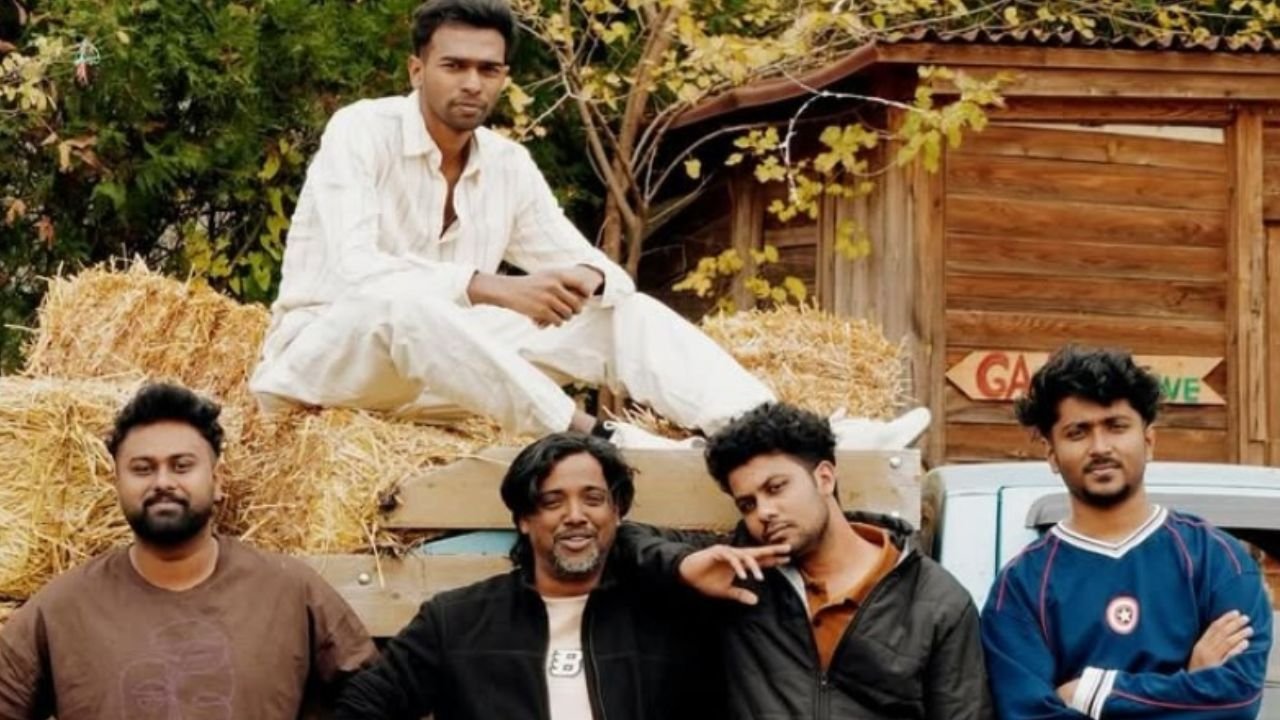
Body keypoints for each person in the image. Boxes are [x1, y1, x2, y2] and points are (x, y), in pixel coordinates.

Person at [247, 0, 777, 448]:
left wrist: (584, 279)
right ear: (416, 70)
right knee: (404, 307)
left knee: (621, 313)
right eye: (454, 66)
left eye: (488, 70)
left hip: (454, 379)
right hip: (328, 367)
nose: (472, 83)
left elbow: (606, 275)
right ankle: (596, 439)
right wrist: (493, 288)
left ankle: (765, 434)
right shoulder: (361, 130)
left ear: (503, 77)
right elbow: (357, 273)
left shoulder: (507, 164)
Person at [0, 383, 376, 719]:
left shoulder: (290, 592)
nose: (163, 482)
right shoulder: (64, 608)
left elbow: (377, 697)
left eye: (181, 466)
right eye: (142, 469)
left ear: (217, 480)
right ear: (117, 485)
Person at [616, 401, 992, 720]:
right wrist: (681, 564)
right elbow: (620, 537)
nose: (764, 512)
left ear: (825, 478)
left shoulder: (935, 600)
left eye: (776, 488)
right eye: (747, 504)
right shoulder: (742, 572)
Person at [334, 432, 725, 719]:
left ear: (617, 512)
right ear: (524, 519)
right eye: (552, 502)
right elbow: (363, 707)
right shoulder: (456, 621)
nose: (575, 515)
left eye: (593, 499)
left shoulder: (667, 619)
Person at [981, 346, 1273, 719]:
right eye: (1077, 432)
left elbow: (1236, 700)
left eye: (1116, 427)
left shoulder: (1217, 559)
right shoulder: (1020, 588)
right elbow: (1028, 714)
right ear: (1051, 454)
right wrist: (1188, 686)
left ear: (1149, 441)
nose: (1100, 447)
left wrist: (1089, 693)